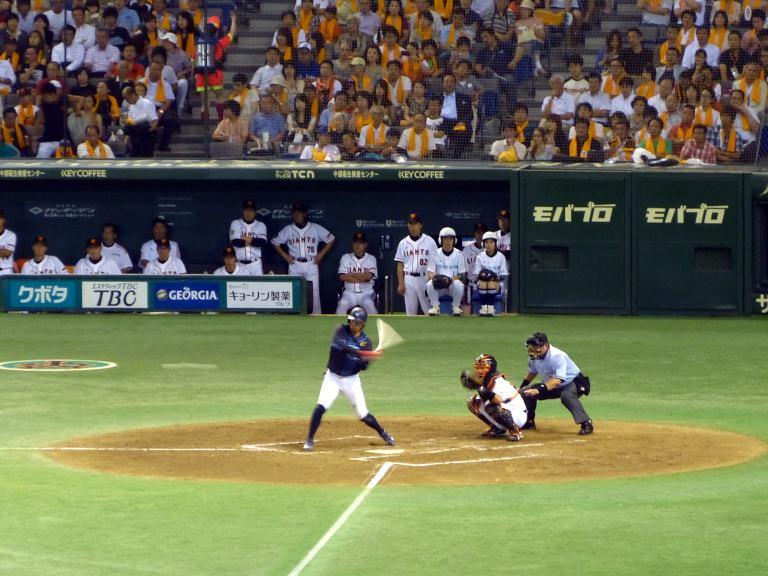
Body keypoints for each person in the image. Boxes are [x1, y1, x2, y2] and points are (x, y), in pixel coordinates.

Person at [302, 306, 394, 451]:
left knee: (363, 414)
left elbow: (363, 367)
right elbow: (343, 348)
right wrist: (366, 354)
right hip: (332, 378)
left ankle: (383, 433)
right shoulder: (341, 331)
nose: (352, 324)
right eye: (351, 321)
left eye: (356, 322)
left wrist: (368, 359)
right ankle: (309, 440)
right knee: (321, 406)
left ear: (362, 324)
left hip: (352, 381)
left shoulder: (366, 342)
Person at [519, 332, 593, 435]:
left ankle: (586, 423)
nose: (533, 349)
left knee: (566, 395)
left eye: (536, 346)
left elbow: (558, 380)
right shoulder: (534, 358)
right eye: (531, 346)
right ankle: (529, 422)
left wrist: (538, 390)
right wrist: (522, 387)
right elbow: (532, 373)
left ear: (545, 345)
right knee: (526, 392)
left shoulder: (556, 356)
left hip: (574, 382)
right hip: (552, 384)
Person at [272, 201, 336, 315]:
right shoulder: (288, 229)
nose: (296, 215)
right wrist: (285, 256)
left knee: (314, 292)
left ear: (305, 214)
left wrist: (320, 255)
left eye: (299, 213)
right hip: (294, 264)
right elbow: (275, 242)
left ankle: (316, 317)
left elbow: (331, 239)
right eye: (295, 213)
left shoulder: (315, 228)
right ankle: (294, 315)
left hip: (311, 263)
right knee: (294, 291)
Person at [465, 353, 527, 440]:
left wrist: (481, 388)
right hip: (507, 410)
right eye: (478, 368)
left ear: (491, 368)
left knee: (491, 406)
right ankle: (497, 428)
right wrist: (479, 387)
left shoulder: (498, 382)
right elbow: (486, 398)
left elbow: (498, 400)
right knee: (472, 402)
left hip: (518, 415)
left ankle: (515, 431)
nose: (479, 371)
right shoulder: (486, 381)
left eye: (483, 368)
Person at [394, 212, 438, 316]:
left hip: (425, 278)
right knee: (410, 312)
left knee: (428, 310)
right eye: (410, 224)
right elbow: (400, 266)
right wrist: (401, 283)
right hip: (409, 279)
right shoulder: (403, 243)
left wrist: (433, 278)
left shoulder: (430, 241)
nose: (412, 226)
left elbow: (436, 262)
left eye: (415, 224)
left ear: (420, 225)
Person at [425, 227, 466, 317]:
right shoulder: (435, 253)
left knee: (458, 284)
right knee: (429, 284)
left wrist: (449, 280)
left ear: (454, 240)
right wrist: (436, 278)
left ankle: (456, 307)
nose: (448, 241)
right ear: (441, 240)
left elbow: (462, 275)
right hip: (439, 285)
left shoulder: (459, 254)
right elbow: (430, 272)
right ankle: (435, 307)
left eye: (451, 238)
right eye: (445, 238)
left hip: (452, 285)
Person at [336, 231, 378, 315]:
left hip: (366, 293)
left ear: (365, 245)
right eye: (355, 242)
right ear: (352, 244)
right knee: (342, 304)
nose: (357, 245)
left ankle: (374, 324)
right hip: (349, 293)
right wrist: (362, 277)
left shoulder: (371, 259)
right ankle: (340, 324)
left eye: (360, 243)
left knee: (370, 305)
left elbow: (368, 277)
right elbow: (342, 277)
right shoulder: (345, 257)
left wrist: (351, 274)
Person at [229, 199, 268, 275]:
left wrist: (244, 238)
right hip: (239, 264)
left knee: (258, 283)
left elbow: (262, 242)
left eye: (251, 210)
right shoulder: (235, 223)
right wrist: (254, 241)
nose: (248, 213)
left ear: (255, 212)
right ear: (243, 211)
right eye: (246, 210)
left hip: (255, 264)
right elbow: (235, 242)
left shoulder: (261, 225)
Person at [474, 231, 507, 316]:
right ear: (483, 244)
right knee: (483, 282)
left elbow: (504, 275)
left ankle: (491, 307)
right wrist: (484, 276)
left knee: (491, 283)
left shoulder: (501, 256)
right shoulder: (479, 257)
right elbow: (477, 274)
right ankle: (484, 307)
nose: (489, 244)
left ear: (495, 243)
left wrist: (494, 277)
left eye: (491, 242)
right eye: (486, 242)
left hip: (497, 284)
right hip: (482, 283)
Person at [462, 222, 488, 290]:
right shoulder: (466, 250)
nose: (480, 235)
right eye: (477, 232)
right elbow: (463, 272)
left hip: (487, 284)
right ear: (474, 234)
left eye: (482, 233)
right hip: (471, 284)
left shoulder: (490, 249)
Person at [0, 210, 17, 275]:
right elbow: (4, 252)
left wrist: (4, 252)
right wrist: (2, 251)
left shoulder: (10, 235)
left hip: (5, 271)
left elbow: (7, 253)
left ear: (3, 220)